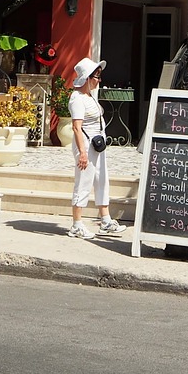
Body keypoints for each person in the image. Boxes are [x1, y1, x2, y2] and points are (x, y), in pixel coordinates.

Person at [65, 56, 125, 239]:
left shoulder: (89, 96)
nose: (99, 80)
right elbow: (76, 127)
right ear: (87, 78)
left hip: (97, 144)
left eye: (99, 76)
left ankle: (105, 220)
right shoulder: (77, 99)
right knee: (83, 181)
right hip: (86, 145)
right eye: (96, 77)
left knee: (101, 180)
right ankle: (76, 224)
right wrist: (83, 152)